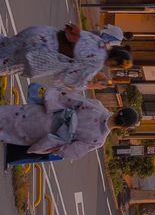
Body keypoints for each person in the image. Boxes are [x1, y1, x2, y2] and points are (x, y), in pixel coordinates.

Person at [0, 86, 139, 160]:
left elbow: (69, 99)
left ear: (120, 109)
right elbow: (69, 151)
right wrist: (52, 144)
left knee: (8, 114)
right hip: (44, 135)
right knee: (8, 134)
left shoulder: (97, 107)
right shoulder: (98, 140)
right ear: (122, 127)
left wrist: (50, 97)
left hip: (45, 114)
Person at [0, 22, 132, 91]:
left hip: (40, 33)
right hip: (38, 53)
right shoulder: (97, 63)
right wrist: (93, 85)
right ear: (115, 62)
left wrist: (94, 74)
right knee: (4, 63)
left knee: (5, 45)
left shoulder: (98, 41)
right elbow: (69, 80)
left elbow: (81, 54)